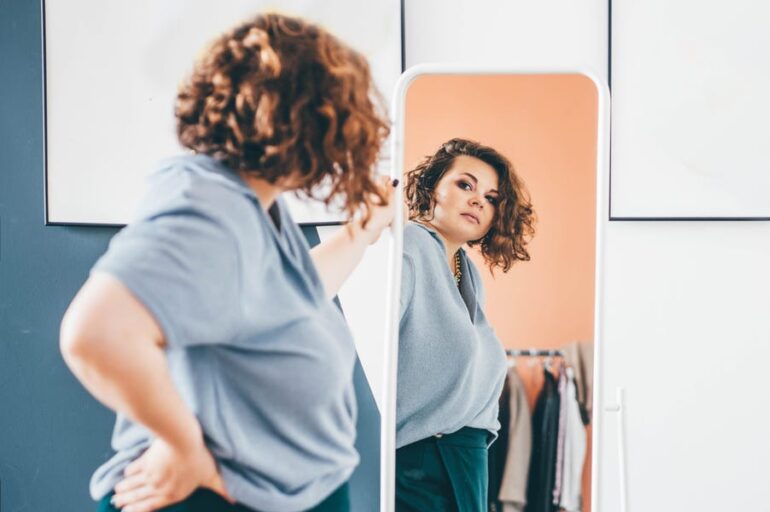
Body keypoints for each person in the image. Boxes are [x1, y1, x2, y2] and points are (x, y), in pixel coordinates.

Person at [59, 13, 393, 512]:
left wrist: (360, 234)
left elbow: (290, 301)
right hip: (217, 497)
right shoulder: (208, 207)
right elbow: (94, 333)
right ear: (308, 120)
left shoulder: (252, 204)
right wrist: (182, 446)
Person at [394, 138, 536, 511]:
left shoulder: (465, 270)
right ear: (432, 188)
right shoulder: (408, 252)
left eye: (491, 198)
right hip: (423, 463)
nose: (478, 201)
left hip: (464, 462)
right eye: (465, 185)